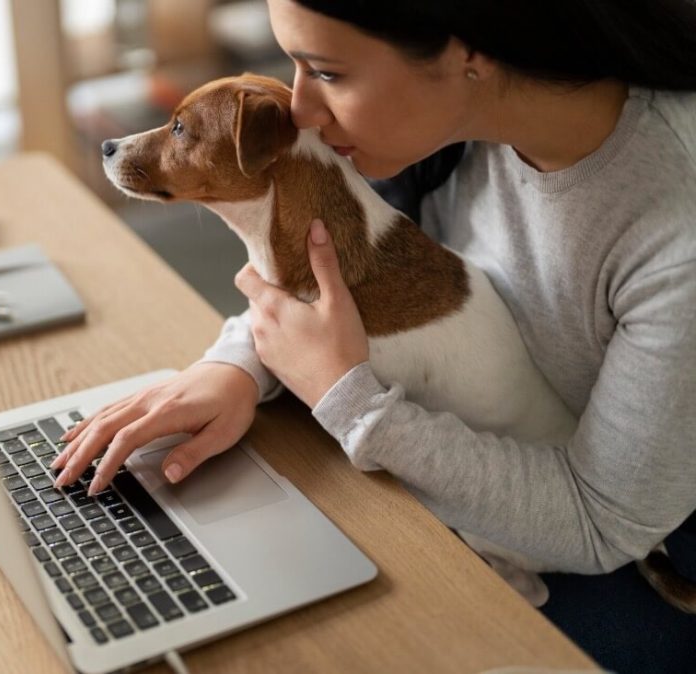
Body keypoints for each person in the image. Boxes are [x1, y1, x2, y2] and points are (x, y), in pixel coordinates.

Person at [52, 1, 696, 670]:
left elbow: (599, 526)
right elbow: (354, 273)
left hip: (610, 551)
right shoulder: (447, 121)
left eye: (325, 72)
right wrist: (240, 364)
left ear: (467, 52)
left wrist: (345, 394)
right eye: (292, 67)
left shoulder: (674, 239)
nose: (299, 110)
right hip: (445, 453)